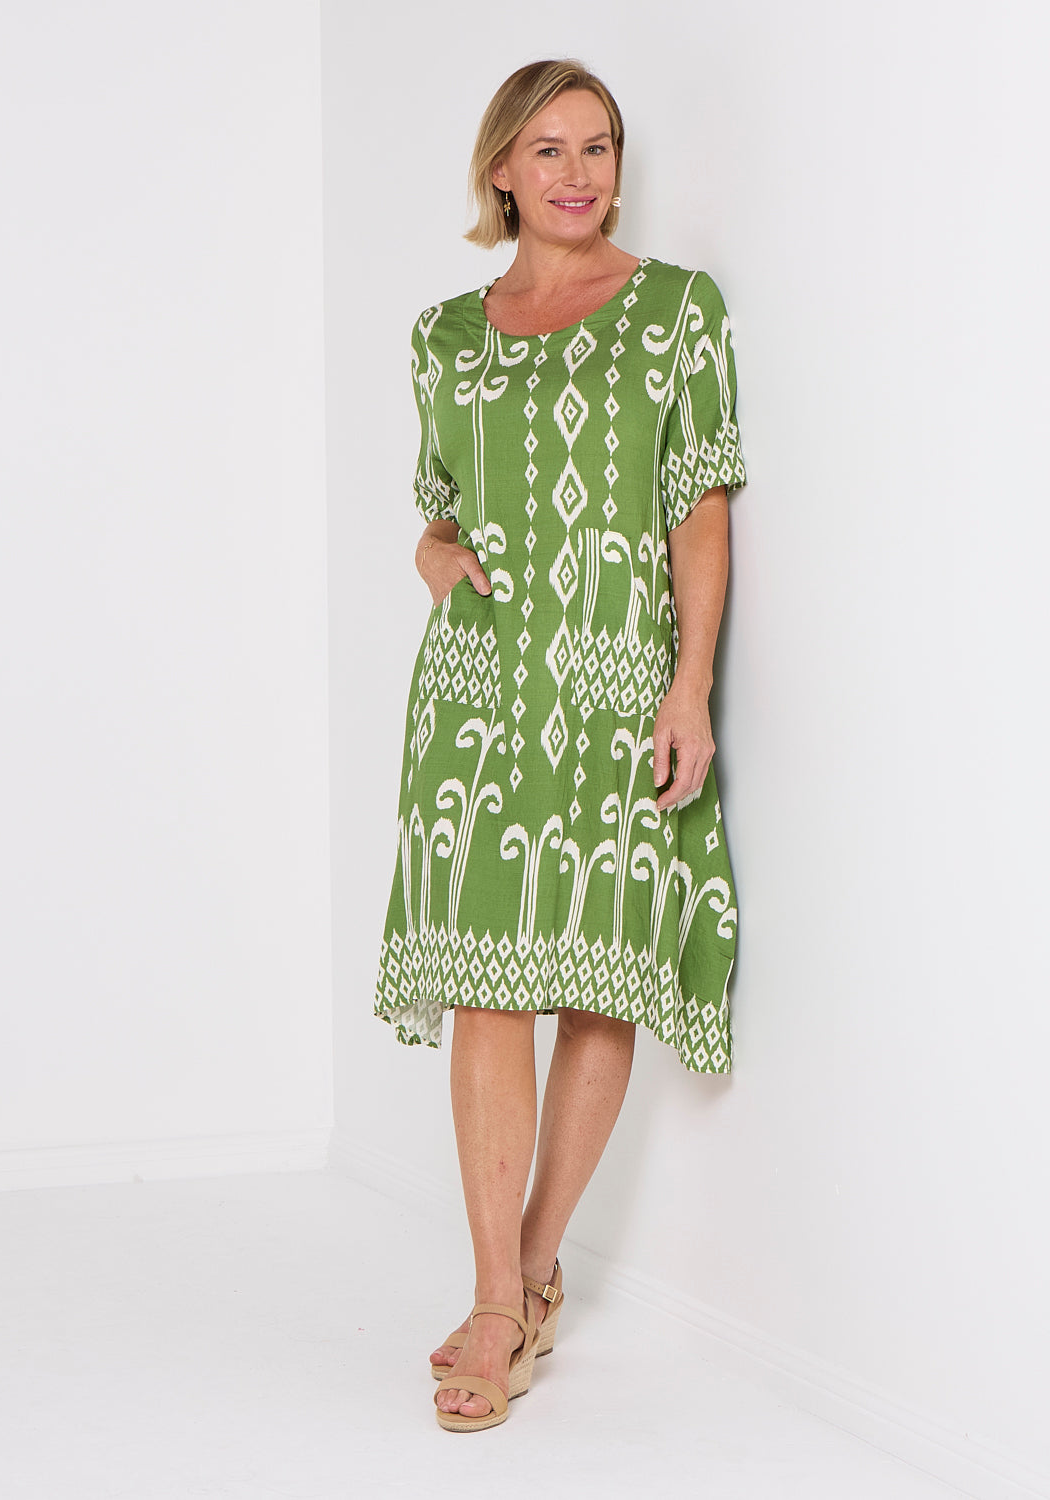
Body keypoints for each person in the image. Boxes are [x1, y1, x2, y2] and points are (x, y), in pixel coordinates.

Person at [372, 58, 747, 1433]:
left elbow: (698, 510)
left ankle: (527, 1278)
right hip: (478, 693)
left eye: (598, 146)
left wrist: (690, 686)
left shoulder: (677, 313)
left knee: (595, 983)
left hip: (614, 684)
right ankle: (496, 1296)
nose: (578, 172)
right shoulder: (443, 337)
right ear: (502, 171)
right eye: (549, 149)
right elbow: (440, 508)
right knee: (487, 987)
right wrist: (432, 557)